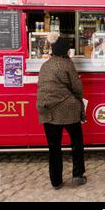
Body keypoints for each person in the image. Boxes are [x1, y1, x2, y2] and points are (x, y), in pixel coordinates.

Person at [36, 32, 87, 190]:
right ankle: (77, 176)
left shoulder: (45, 65)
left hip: (46, 110)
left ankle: (56, 181)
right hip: (67, 109)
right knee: (76, 143)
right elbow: (77, 88)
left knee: (54, 147)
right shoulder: (67, 64)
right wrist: (79, 100)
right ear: (65, 51)